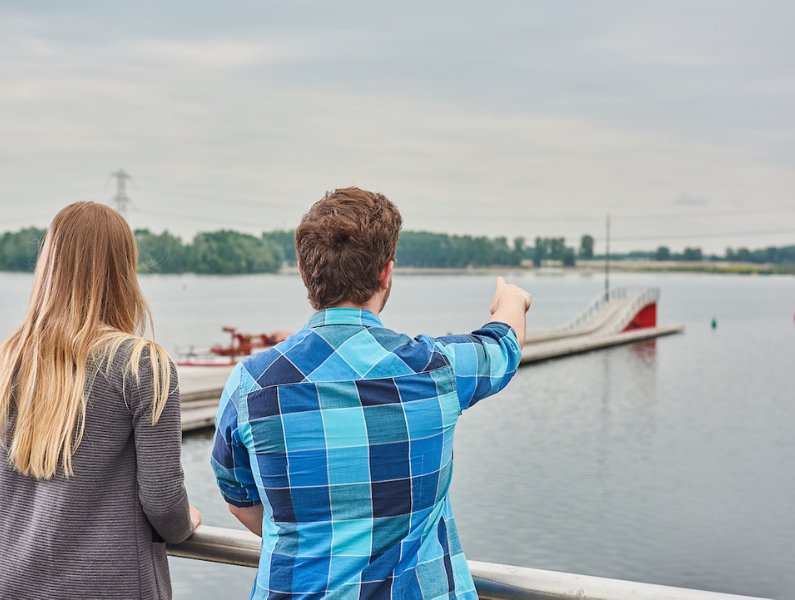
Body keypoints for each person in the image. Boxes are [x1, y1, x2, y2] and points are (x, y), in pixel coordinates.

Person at [211, 187, 531, 600]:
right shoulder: (436, 369)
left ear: (305, 273)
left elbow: (239, 499)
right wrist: (511, 299)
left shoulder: (251, 384)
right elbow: (503, 346)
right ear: (386, 272)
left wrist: (323, 537)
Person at [0, 202, 201, 600]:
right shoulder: (142, 364)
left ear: (50, 265)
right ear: (123, 269)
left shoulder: (10, 360)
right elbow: (162, 501)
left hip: (14, 580)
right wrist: (185, 523)